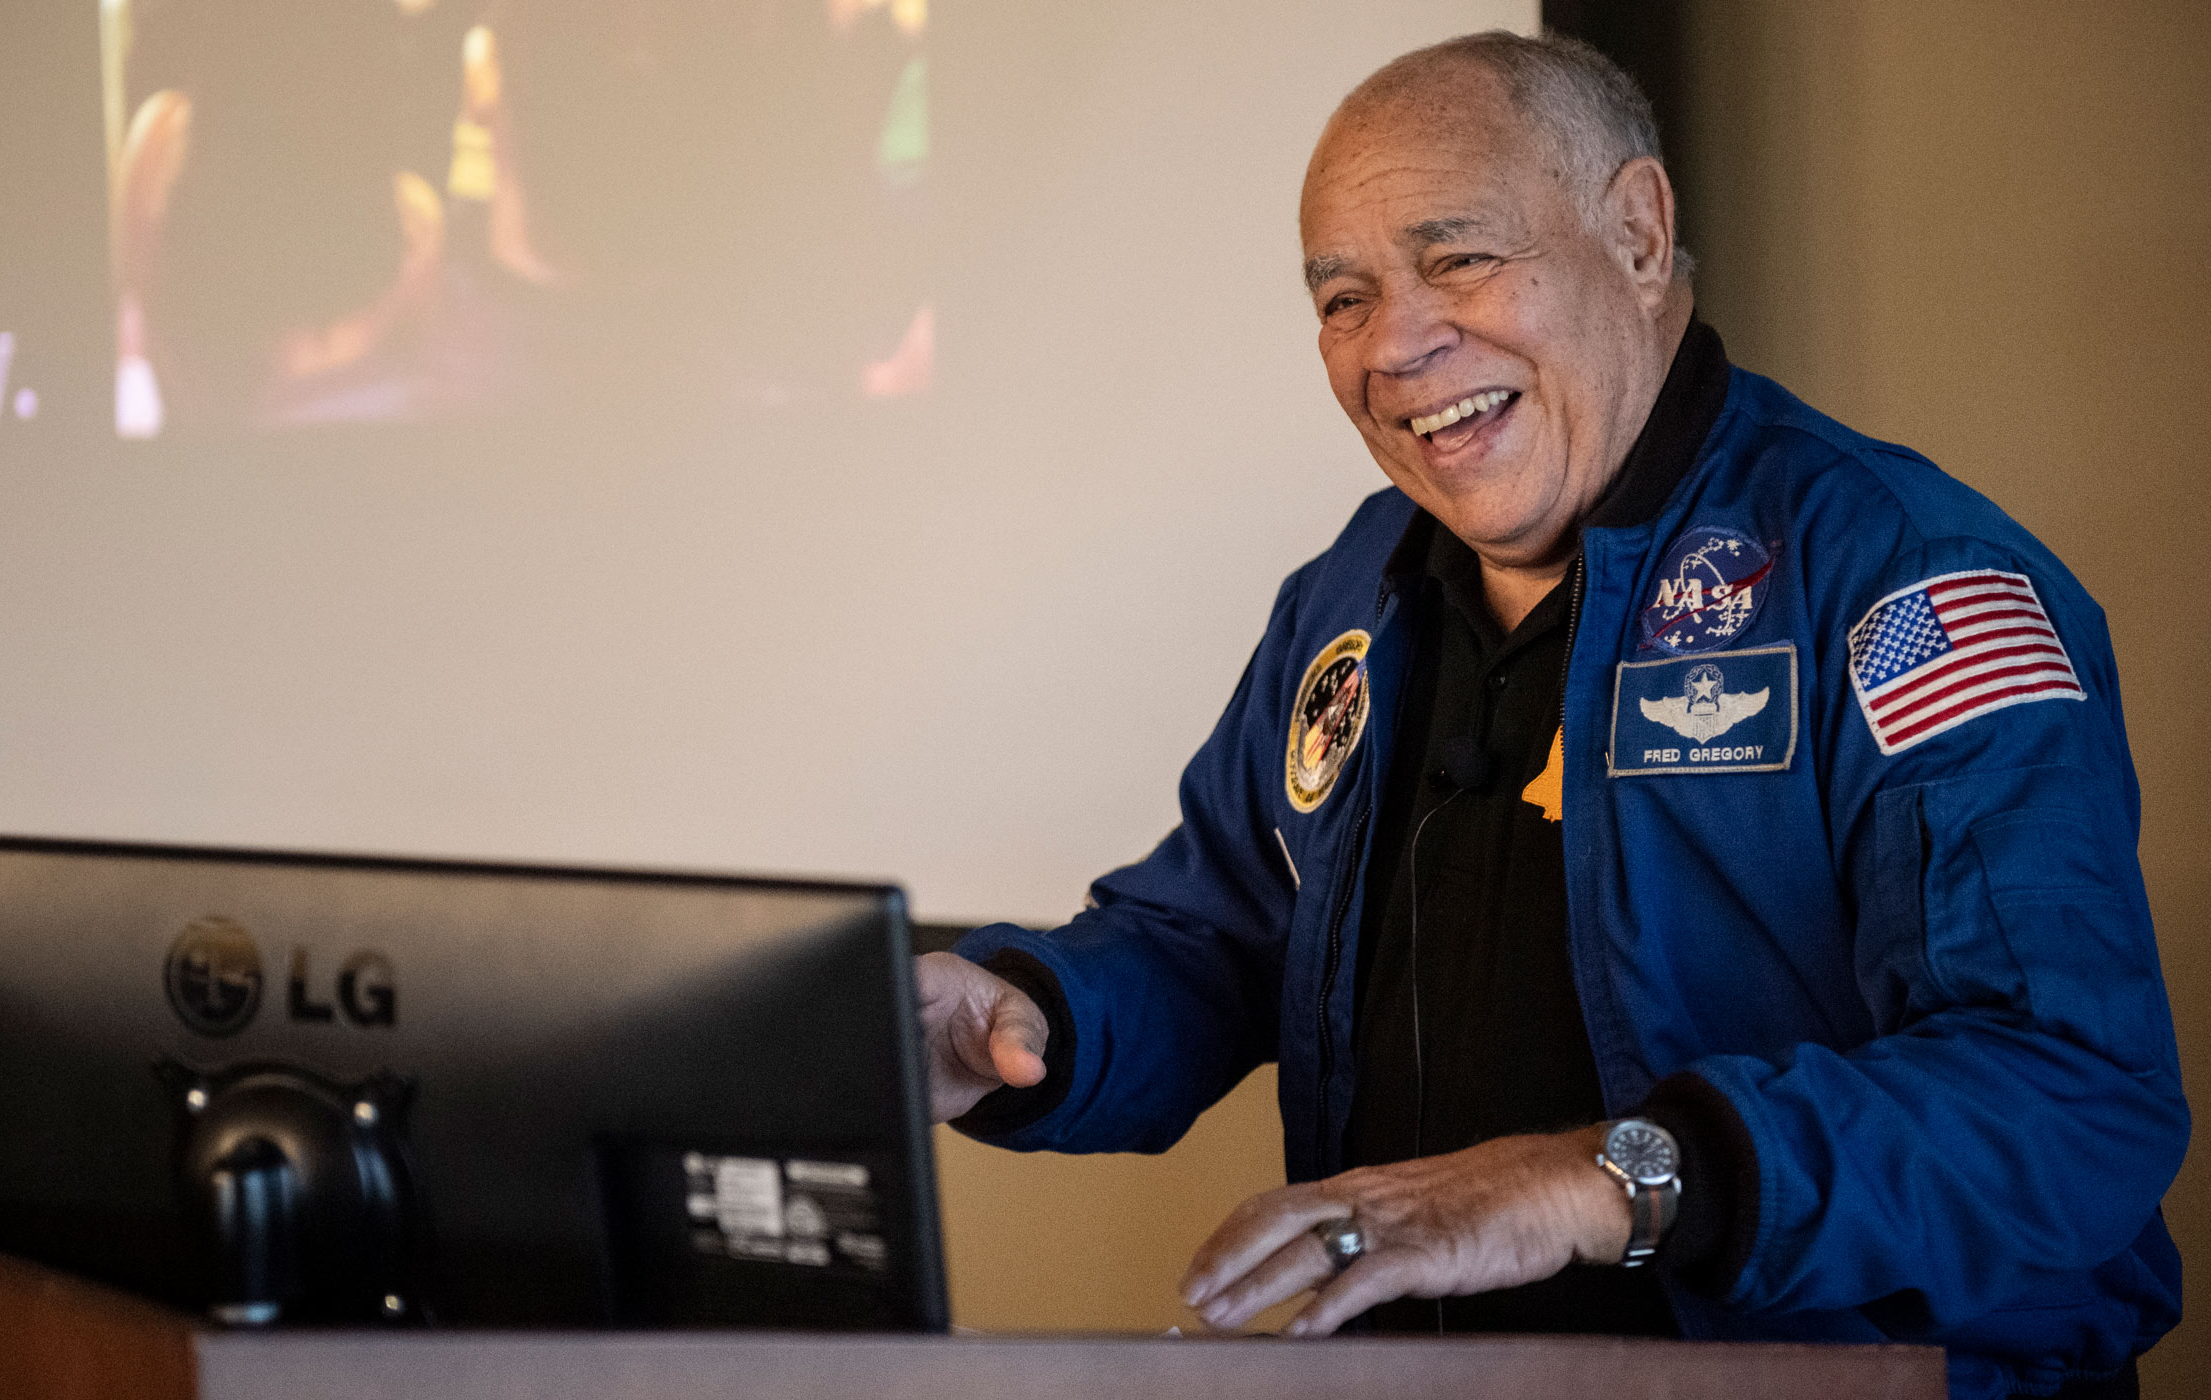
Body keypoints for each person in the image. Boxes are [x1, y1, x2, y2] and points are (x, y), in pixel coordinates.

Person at [915, 30, 2185, 1400]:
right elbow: (1212, 940)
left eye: (1458, 260)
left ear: (1638, 235)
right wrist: (1022, 1014)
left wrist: (1602, 1180)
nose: (1395, 344)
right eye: (1343, 297)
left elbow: (2065, 1099)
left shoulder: (1904, 580)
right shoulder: (1354, 595)